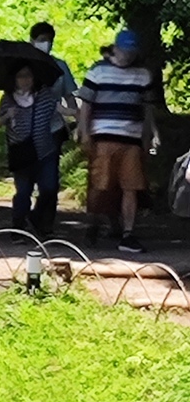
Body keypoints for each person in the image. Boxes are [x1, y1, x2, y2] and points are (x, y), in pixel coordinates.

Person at [80, 27, 160, 255]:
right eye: (125, 51)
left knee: (131, 186)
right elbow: (86, 104)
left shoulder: (143, 75)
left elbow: (147, 109)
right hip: (103, 135)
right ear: (115, 48)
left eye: (132, 52)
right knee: (100, 184)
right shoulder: (98, 71)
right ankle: (92, 224)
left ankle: (128, 234)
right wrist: (85, 133)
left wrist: (149, 135)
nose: (128, 56)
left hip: (132, 137)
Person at [0, 57, 71, 227]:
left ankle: (37, 217)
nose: (25, 80)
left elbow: (59, 109)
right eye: (20, 76)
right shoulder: (8, 99)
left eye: (28, 76)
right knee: (23, 192)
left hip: (45, 150)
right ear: (14, 79)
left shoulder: (44, 95)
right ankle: (18, 225)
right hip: (21, 152)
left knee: (49, 188)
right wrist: (8, 115)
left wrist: (77, 114)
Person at [21, 20, 81, 221]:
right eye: (41, 40)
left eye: (48, 40)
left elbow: (70, 95)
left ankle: (43, 221)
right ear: (31, 41)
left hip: (52, 130)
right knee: (25, 182)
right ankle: (19, 225)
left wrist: (78, 119)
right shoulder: (22, 67)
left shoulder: (59, 66)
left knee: (50, 183)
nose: (45, 44)